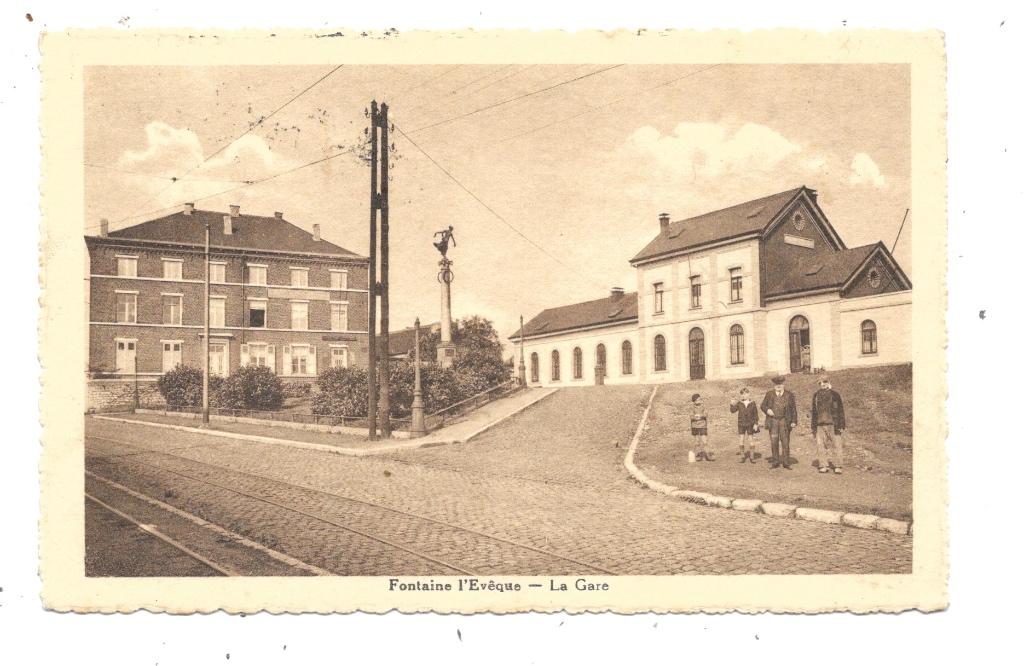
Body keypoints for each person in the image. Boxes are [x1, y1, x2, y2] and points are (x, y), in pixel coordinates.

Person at [811, 375, 846, 474]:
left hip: (833, 424)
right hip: (820, 424)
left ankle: (838, 466)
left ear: (828, 382)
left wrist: (841, 425)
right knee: (820, 445)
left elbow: (840, 410)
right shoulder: (816, 395)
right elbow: (814, 411)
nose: (823, 384)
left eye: (825, 382)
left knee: (837, 445)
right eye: (820, 383)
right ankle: (823, 465)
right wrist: (813, 426)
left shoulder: (835, 395)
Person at [761, 376, 797, 469]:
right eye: (776, 384)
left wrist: (794, 421)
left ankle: (786, 462)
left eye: (780, 384)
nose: (778, 386)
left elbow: (793, 409)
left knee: (785, 442)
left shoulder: (789, 395)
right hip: (773, 421)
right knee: (774, 441)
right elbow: (763, 405)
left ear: (783, 384)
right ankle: (775, 462)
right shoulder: (769, 394)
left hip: (784, 421)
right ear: (774, 385)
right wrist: (767, 410)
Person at [730, 387, 760, 463]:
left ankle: (752, 457)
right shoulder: (739, 403)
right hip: (741, 424)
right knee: (741, 439)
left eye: (745, 394)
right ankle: (742, 456)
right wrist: (732, 404)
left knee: (751, 439)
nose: (744, 395)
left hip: (750, 424)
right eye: (742, 394)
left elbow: (756, 415)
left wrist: (756, 423)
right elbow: (732, 411)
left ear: (749, 394)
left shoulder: (752, 403)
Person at [690, 393, 714, 461]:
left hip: (702, 425)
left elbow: (706, 414)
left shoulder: (703, 406)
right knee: (697, 442)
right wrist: (695, 417)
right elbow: (691, 416)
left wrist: (700, 415)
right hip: (695, 426)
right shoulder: (692, 408)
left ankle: (708, 456)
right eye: (697, 400)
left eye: (700, 399)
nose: (699, 401)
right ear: (694, 401)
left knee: (704, 441)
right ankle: (698, 456)